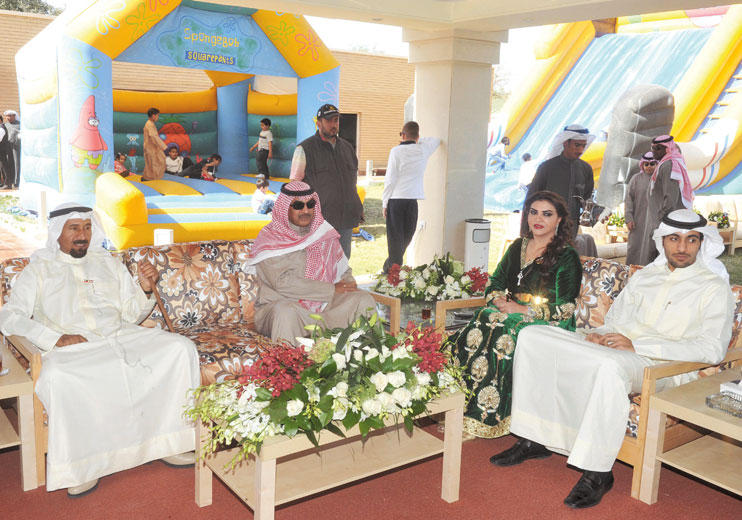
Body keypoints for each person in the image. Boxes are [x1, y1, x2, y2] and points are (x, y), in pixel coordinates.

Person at [492, 209, 734, 509]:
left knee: (608, 367)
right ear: (663, 241)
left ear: (701, 243)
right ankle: (534, 438)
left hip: (662, 366)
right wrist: (599, 335)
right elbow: (616, 321)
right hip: (619, 349)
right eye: (674, 239)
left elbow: (712, 349)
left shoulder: (713, 286)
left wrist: (638, 345)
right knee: (533, 337)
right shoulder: (646, 277)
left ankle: (597, 472)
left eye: (691, 240)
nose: (682, 247)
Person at [0, 204, 200, 496]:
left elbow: (130, 314)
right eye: (74, 228)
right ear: (57, 232)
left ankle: (170, 443)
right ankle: (82, 465)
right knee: (58, 376)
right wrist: (54, 338)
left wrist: (145, 288)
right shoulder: (39, 269)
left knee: (180, 349)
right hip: (73, 349)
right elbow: (10, 316)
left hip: (121, 335)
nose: (83, 235)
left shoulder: (108, 263)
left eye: (87, 227)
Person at [448, 191, 582, 438]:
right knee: (485, 315)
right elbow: (496, 281)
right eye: (533, 212)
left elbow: (566, 307)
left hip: (550, 319)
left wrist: (523, 310)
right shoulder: (518, 246)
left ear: (560, 220)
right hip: (510, 310)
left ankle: (488, 415)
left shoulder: (567, 256)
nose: (538, 219)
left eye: (547, 214)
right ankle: (460, 406)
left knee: (505, 327)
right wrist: (498, 299)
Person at [248, 181, 376, 346]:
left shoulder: (323, 234)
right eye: (298, 206)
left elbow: (343, 270)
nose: (306, 210)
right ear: (285, 207)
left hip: (325, 307)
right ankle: (287, 362)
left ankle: (367, 357)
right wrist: (331, 289)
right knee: (285, 312)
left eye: (310, 204)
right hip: (282, 307)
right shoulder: (270, 239)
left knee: (363, 300)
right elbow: (283, 284)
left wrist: (348, 286)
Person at [290, 104, 363, 259]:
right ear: (318, 123)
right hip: (319, 221)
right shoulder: (304, 149)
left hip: (345, 218)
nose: (333, 124)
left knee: (343, 262)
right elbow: (294, 186)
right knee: (319, 263)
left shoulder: (347, 148)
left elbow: (352, 181)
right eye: (329, 120)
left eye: (336, 120)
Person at [381, 121, 440, 273]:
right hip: (411, 201)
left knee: (397, 240)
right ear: (417, 136)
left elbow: (390, 178)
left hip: (396, 200)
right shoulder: (423, 149)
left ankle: (389, 270)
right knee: (405, 238)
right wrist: (417, 139)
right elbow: (435, 140)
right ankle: (391, 271)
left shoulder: (396, 151)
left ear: (403, 135)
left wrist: (385, 203)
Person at [525, 125, 595, 238]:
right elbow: (531, 198)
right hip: (546, 224)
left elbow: (587, 198)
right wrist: (525, 230)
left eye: (583, 146)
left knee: (567, 249)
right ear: (565, 143)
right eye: (577, 145)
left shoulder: (585, 169)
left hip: (571, 226)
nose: (580, 150)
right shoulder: (547, 167)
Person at [625, 152, 656, 265]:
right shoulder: (636, 179)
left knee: (651, 247)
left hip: (654, 221)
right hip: (637, 221)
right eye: (646, 164)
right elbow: (628, 199)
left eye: (652, 164)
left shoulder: (660, 179)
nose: (649, 167)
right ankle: (631, 271)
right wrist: (629, 218)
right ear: (642, 165)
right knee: (635, 247)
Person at [142, 107, 167, 181]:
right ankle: (153, 179)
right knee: (157, 162)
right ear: (153, 116)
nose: (158, 117)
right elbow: (154, 137)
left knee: (150, 164)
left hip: (151, 147)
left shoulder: (150, 123)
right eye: (157, 115)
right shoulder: (149, 124)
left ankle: (147, 178)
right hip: (151, 148)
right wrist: (164, 147)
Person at [3, 109, 20, 188]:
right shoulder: (5, 125)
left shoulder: (20, 124)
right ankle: (10, 181)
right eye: (7, 116)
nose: (8, 118)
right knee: (9, 164)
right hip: (7, 148)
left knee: (17, 164)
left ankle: (17, 181)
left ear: (14, 116)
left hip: (16, 147)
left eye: (10, 116)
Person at [0, 114, 13, 189]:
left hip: (3, 151)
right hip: (2, 151)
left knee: (5, 167)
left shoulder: (1, 128)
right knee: (2, 167)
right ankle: (5, 183)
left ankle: (8, 184)